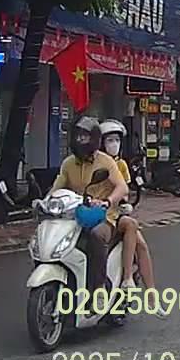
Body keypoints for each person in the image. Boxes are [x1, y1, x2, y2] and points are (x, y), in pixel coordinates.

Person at [48, 116, 126, 293]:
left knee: (97, 235)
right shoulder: (68, 163)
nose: (80, 140)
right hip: (73, 216)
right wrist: (44, 202)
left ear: (95, 138)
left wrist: (107, 201)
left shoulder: (106, 162)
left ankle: (99, 287)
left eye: (84, 137)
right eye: (78, 136)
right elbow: (57, 187)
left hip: (102, 216)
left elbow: (122, 187)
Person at [100, 120, 161, 297]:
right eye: (109, 140)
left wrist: (123, 203)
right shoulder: (95, 163)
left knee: (141, 245)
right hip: (96, 214)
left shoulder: (121, 165)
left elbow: (124, 190)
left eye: (117, 140)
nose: (114, 144)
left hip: (115, 213)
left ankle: (145, 291)